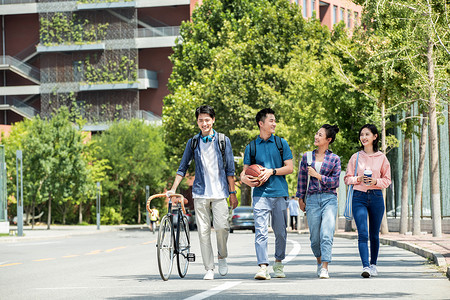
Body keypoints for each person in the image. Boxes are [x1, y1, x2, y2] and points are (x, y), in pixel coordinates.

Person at [169, 105, 238, 280]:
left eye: (207, 119)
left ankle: (222, 256)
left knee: (222, 227)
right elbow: (182, 167)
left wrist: (233, 193)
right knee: (203, 231)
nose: (204, 123)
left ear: (213, 120)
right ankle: (209, 268)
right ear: (197, 122)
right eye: (201, 120)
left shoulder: (223, 140)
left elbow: (230, 170)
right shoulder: (193, 142)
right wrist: (173, 189)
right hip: (200, 193)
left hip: (220, 192)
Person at [240, 108, 293, 280]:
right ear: (261, 123)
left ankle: (278, 263)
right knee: (261, 232)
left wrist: (271, 171)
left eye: (275, 120)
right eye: (271, 120)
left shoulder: (281, 143)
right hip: (260, 195)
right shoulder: (252, 146)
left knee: (280, 232)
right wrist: (247, 180)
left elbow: (290, 168)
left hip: (279, 193)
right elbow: (244, 173)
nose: (274, 123)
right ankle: (263, 267)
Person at [344, 124, 391, 278]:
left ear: (375, 137)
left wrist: (375, 182)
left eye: (367, 134)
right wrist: (358, 179)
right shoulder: (355, 157)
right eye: (361, 134)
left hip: (377, 197)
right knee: (362, 233)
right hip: (359, 197)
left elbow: (387, 180)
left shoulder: (382, 158)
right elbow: (347, 179)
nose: (363, 137)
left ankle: (373, 264)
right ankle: (365, 266)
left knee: (374, 235)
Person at [296, 124, 341, 279]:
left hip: (329, 198)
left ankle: (325, 267)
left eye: (320, 135)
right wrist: (300, 198)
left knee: (326, 234)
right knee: (315, 238)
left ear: (328, 139)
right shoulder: (307, 157)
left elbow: (335, 182)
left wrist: (318, 176)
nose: (316, 136)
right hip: (312, 199)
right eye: (316, 133)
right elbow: (301, 179)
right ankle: (319, 261)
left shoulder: (334, 159)